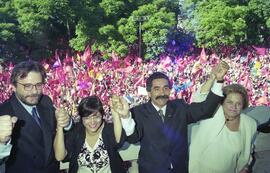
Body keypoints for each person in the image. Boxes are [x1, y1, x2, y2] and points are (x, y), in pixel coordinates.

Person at [116, 61, 229, 173]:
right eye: (157, 89)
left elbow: (205, 110)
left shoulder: (180, 107)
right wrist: (126, 117)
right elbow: (133, 138)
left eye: (166, 88)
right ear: (149, 93)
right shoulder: (138, 112)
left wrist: (218, 80)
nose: (162, 93)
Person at [0, 60, 71, 173]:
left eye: (38, 85)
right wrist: (1, 143)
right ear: (13, 86)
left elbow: (57, 130)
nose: (34, 91)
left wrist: (66, 121)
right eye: (27, 86)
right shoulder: (3, 112)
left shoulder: (45, 101)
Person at [189, 73, 257, 173]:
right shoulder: (211, 113)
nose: (234, 107)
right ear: (221, 102)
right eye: (229, 102)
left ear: (243, 106)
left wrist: (245, 167)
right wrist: (213, 77)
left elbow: (248, 150)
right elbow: (200, 97)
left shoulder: (249, 124)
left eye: (238, 103)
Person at [53, 95, 127, 173]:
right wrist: (60, 125)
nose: (92, 122)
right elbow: (59, 156)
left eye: (96, 116)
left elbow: (119, 141)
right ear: (81, 118)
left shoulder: (108, 130)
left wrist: (114, 111)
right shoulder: (77, 132)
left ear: (102, 115)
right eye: (87, 118)